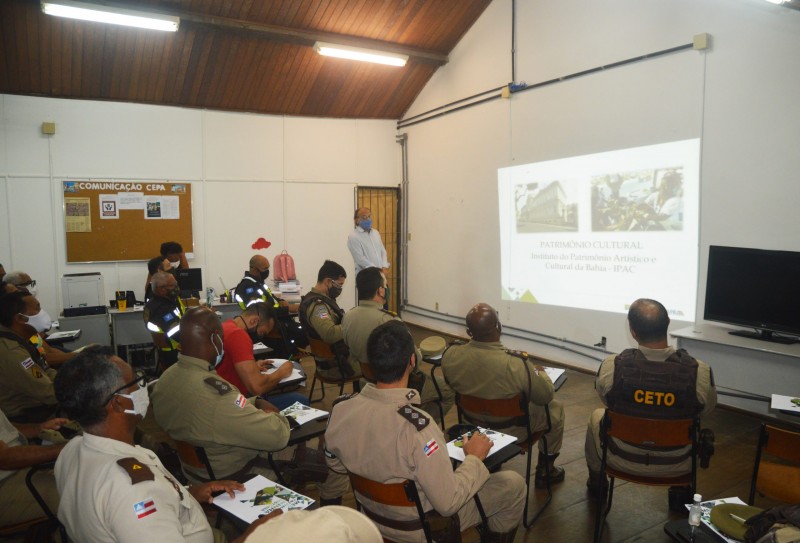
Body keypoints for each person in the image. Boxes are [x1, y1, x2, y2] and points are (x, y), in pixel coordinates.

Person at [325, 320, 525, 543]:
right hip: (421, 529)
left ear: (371, 362)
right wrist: (474, 459)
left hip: (371, 521)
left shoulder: (341, 410)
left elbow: (335, 464)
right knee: (512, 484)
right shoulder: (419, 429)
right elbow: (448, 503)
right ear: (412, 361)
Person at [53, 345, 268, 543]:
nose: (142, 387)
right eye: (135, 382)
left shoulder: (72, 450)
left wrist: (188, 492)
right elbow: (135, 503)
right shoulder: (134, 491)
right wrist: (252, 537)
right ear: (118, 403)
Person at [584, 298, 717, 507]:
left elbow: (607, 400)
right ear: (668, 324)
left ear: (633, 332)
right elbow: (706, 409)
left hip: (621, 458)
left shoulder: (612, 366)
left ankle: (597, 483)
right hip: (679, 464)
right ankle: (680, 491)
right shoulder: (699, 371)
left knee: (597, 415)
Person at [441, 302, 566, 488]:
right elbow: (545, 396)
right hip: (512, 431)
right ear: (499, 327)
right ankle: (546, 470)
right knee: (555, 409)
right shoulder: (517, 364)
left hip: (472, 427)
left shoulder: (450, 356)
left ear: (468, 332)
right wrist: (542, 374)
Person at [342, 267, 453, 423]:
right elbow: (415, 362)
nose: (386, 288)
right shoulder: (390, 321)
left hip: (365, 382)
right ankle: (417, 425)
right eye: (385, 284)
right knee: (448, 391)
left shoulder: (348, 316)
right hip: (397, 386)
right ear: (381, 291)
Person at [215, 302, 308, 410]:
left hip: (224, 397)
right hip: (236, 403)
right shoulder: (238, 335)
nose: (260, 337)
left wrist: (252, 365)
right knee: (300, 400)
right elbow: (257, 388)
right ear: (254, 321)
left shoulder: (225, 326)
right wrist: (282, 372)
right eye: (262, 333)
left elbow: (228, 365)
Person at [0, 407, 67, 530]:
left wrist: (37, 429)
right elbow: (4, 459)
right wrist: (62, 449)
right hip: (5, 482)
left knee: (81, 480)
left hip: (17, 469)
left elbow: (4, 429)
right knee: (76, 497)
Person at [0, 291, 58, 422]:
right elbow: (48, 393)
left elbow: (45, 368)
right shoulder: (12, 351)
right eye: (38, 308)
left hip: (42, 405)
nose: (42, 313)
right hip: (29, 416)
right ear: (20, 319)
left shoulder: (27, 337)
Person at [298, 260, 358, 379]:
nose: (340, 288)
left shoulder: (320, 300)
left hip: (338, 359)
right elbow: (329, 333)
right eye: (339, 284)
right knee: (374, 366)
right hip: (336, 367)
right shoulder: (318, 307)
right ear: (328, 281)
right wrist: (352, 324)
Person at [233, 255, 302, 358]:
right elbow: (261, 313)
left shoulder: (259, 283)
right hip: (265, 327)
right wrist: (288, 309)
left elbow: (271, 299)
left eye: (268, 268)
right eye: (264, 269)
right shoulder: (247, 287)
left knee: (302, 330)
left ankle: (294, 355)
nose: (267, 271)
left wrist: (281, 302)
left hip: (276, 320)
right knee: (301, 332)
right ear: (254, 269)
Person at [143, 271, 185, 370]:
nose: (177, 287)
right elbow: (177, 334)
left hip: (174, 350)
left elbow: (180, 316)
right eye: (173, 285)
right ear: (161, 290)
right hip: (174, 353)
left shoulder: (167, 301)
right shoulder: (161, 309)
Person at [347, 208, 389, 276]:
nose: (368, 219)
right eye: (364, 217)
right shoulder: (353, 236)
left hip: (381, 273)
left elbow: (383, 251)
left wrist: (384, 266)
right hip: (366, 275)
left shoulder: (375, 233)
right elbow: (360, 259)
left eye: (369, 216)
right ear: (356, 220)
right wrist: (377, 270)